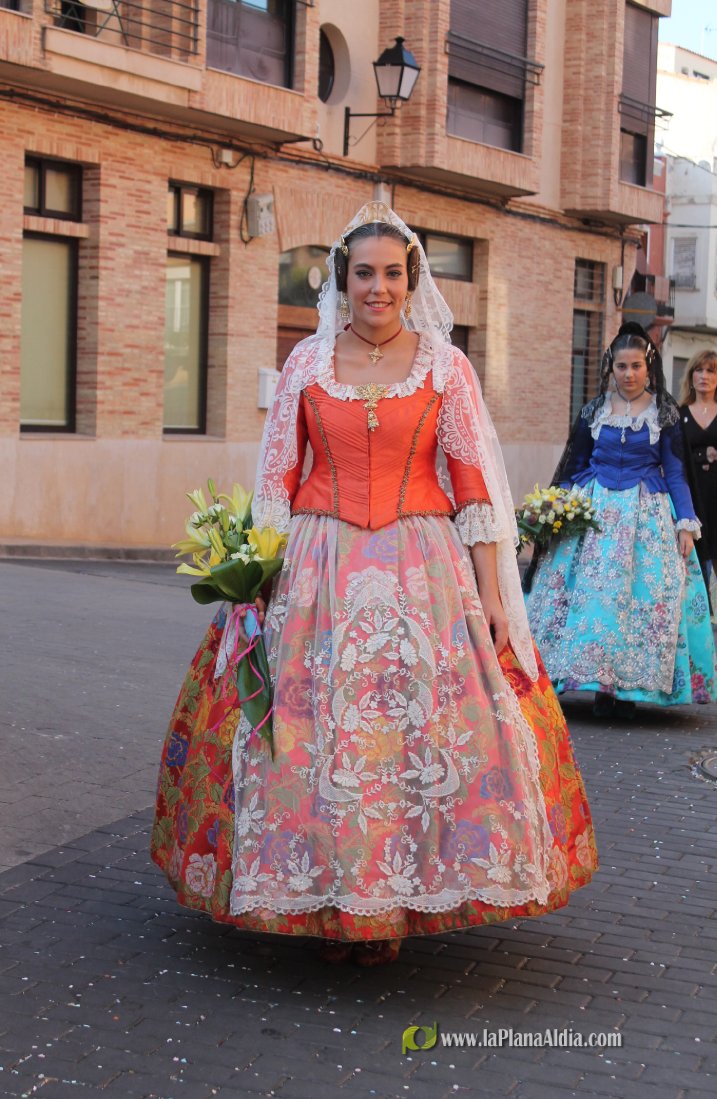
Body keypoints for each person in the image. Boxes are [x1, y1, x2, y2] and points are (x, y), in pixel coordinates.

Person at [151, 202, 597, 966]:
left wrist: (492, 597)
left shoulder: (444, 367)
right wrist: (255, 579)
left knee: (404, 740)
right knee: (310, 736)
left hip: (421, 570)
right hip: (315, 566)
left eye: (392, 273)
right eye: (364, 273)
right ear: (342, 278)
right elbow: (276, 478)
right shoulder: (306, 363)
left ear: (410, 281)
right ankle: (324, 898)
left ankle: (389, 901)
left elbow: (472, 490)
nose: (377, 287)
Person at [524, 323, 716, 720]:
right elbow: (575, 465)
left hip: (646, 515)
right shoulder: (594, 412)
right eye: (621, 366)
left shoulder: (663, 413)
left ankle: (628, 689)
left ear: (648, 367)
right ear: (611, 368)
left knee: (639, 602)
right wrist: (552, 510)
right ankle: (598, 686)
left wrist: (685, 521)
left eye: (636, 366)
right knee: (592, 600)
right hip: (594, 514)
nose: (628, 374)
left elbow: (675, 472)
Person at [679, 349, 717, 594]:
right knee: (696, 574)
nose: (704, 376)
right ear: (691, 376)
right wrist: (705, 455)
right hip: (692, 498)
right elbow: (676, 458)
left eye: (711, 371)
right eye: (699, 370)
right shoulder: (679, 414)